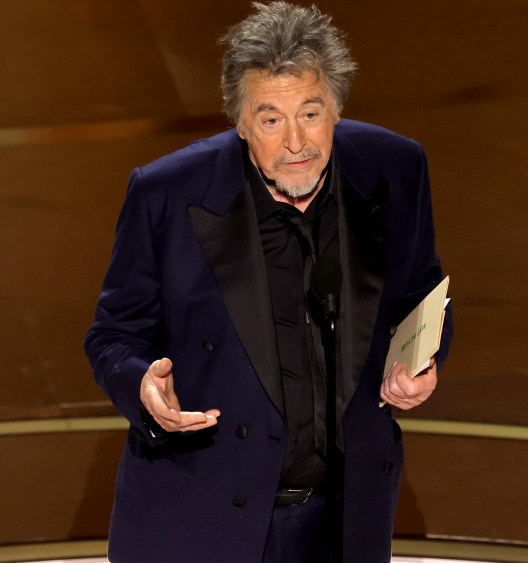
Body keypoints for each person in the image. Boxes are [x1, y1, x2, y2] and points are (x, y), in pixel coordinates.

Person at [84, 3, 452, 562]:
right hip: (203, 522)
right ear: (240, 123)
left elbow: (422, 293)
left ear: (336, 108)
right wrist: (142, 387)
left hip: (345, 522)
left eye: (311, 112)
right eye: (271, 119)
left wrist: (423, 362)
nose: (296, 142)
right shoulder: (167, 195)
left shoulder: (394, 169)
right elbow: (113, 335)